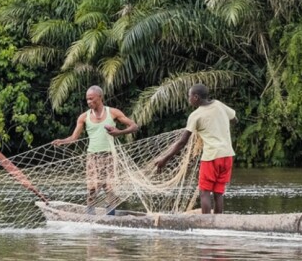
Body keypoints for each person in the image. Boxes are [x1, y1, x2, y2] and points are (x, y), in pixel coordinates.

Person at [52, 86, 139, 215]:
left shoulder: (113, 113)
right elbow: (74, 138)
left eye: (91, 99)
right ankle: (90, 215)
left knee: (110, 188)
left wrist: (119, 132)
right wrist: (62, 141)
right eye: (87, 99)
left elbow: (134, 126)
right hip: (92, 156)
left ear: (99, 97)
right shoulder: (84, 117)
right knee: (92, 188)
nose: (88, 102)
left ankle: (110, 216)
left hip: (109, 155)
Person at [154, 84, 237, 214]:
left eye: (190, 96)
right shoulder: (219, 105)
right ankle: (219, 223)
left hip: (212, 157)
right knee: (218, 193)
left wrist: (164, 159)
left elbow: (182, 142)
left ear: (196, 97)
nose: (189, 99)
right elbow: (234, 119)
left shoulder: (195, 115)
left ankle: (206, 225)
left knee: (204, 193)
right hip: (227, 155)